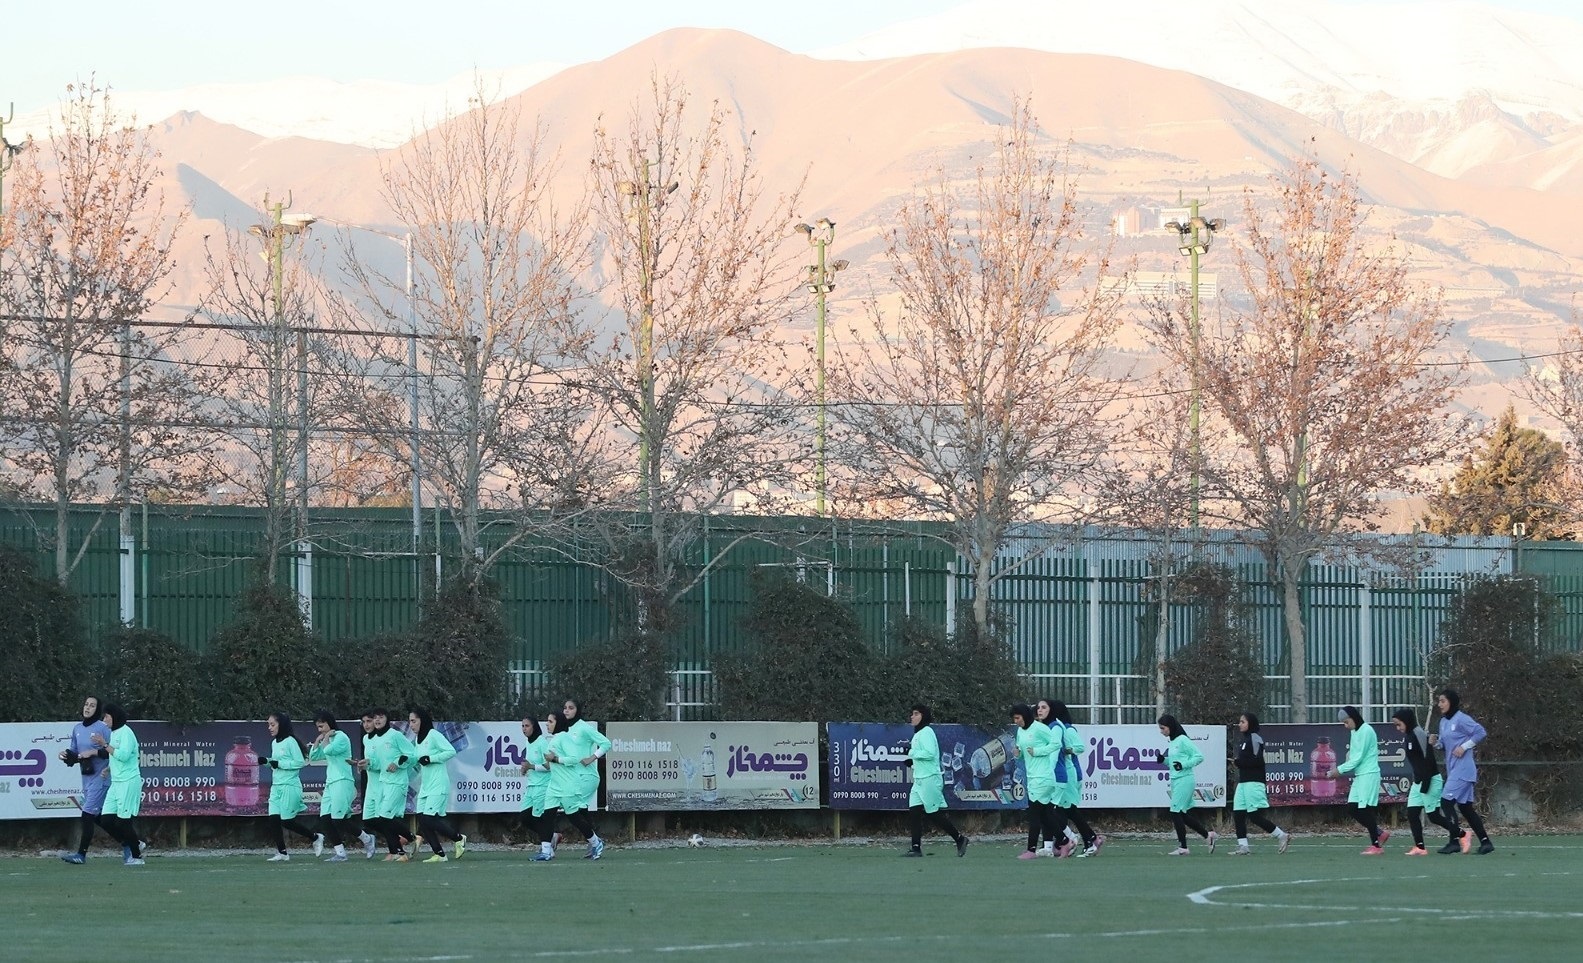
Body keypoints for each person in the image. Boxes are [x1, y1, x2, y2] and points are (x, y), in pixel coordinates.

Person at [546, 700, 612, 859]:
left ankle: (593, 842)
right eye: (565, 708)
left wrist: (592, 758)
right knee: (577, 810)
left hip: (587, 776)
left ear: (578, 710)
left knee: (573, 810)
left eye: (571, 708)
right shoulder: (565, 731)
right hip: (575, 775)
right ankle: (593, 842)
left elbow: (606, 743)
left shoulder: (583, 727)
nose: (567, 711)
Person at [1431, 688, 1494, 855]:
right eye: (1439, 701)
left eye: (1443, 701)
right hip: (1454, 771)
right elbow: (1444, 745)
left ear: (1452, 702)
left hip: (1464, 770)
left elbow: (1480, 732)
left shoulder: (1462, 719)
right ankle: (1486, 842)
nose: (1440, 704)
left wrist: (1464, 747)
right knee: (1466, 808)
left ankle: (1454, 842)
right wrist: (1435, 743)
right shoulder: (1443, 722)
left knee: (1446, 802)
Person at [901, 704, 968, 857]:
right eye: (912, 713)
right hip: (919, 780)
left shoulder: (926, 731)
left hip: (929, 779)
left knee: (933, 814)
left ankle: (960, 839)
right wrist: (913, 762)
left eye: (916, 713)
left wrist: (911, 752)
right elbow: (924, 756)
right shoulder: (918, 734)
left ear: (923, 716)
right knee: (914, 812)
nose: (912, 716)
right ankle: (916, 848)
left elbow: (930, 753)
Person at [1040, 699, 1103, 858]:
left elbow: (1080, 747)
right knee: (1065, 811)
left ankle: (1082, 841)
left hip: (1069, 774)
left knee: (1065, 811)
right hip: (1067, 773)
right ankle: (1090, 839)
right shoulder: (1055, 728)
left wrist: (1068, 750)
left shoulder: (1065, 729)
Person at [1392, 707, 1459, 856]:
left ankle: (1461, 834)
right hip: (1418, 781)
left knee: (1434, 816)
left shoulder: (1418, 734)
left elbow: (1428, 759)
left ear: (1407, 721)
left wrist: (1426, 783)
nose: (1398, 728)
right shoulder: (1409, 735)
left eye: (1399, 724)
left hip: (1429, 780)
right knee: (1412, 813)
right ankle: (1420, 847)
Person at [257, 712, 323, 861]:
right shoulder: (274, 743)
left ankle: (315, 837)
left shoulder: (290, 741)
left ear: (282, 724)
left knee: (287, 821)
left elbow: (299, 762)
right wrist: (266, 762)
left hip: (290, 785)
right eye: (268, 725)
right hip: (277, 786)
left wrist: (278, 764)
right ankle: (282, 853)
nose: (270, 727)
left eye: (272, 724)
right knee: (273, 819)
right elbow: (275, 764)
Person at [58, 695, 112, 864]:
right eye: (86, 704)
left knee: (87, 815)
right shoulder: (77, 728)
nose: (88, 708)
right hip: (86, 777)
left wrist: (105, 764)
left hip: (101, 777)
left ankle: (81, 855)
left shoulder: (102, 728)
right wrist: (65, 756)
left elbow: (113, 751)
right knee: (98, 817)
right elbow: (75, 755)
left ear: (97, 709)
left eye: (92, 705)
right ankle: (131, 842)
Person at [90, 703, 145, 866]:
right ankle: (135, 842)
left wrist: (104, 744)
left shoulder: (126, 732)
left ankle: (137, 857)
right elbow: (116, 757)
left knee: (124, 821)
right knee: (105, 820)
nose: (104, 719)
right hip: (116, 782)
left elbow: (124, 755)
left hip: (128, 781)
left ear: (115, 717)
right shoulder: (114, 733)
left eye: (107, 716)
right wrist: (109, 768)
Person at [409, 707, 465, 863]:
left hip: (438, 784)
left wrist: (431, 758)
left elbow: (450, 751)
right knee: (423, 820)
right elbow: (415, 758)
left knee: (429, 819)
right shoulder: (418, 739)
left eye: (414, 721)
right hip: (425, 786)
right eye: (410, 722)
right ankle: (440, 854)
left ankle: (459, 838)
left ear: (422, 720)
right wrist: (403, 760)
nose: (411, 725)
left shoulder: (433, 735)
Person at [358, 708, 415, 861]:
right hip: (383, 782)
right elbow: (378, 764)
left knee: (385, 817)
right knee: (378, 819)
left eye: (380, 717)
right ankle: (405, 845)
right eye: (374, 718)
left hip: (397, 782)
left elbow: (412, 754)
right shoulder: (374, 738)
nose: (376, 721)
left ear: (387, 718)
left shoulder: (395, 735)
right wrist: (366, 764)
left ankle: (401, 849)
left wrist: (397, 763)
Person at [1229, 712, 1290, 855]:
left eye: (1243, 722)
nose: (1240, 724)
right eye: (1240, 721)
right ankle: (1243, 846)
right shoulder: (1243, 740)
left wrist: (1239, 762)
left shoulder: (1255, 738)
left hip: (1254, 782)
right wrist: (1239, 762)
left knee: (1254, 816)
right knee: (1238, 814)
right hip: (1243, 783)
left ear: (1250, 723)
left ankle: (1282, 835)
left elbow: (1258, 761)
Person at [1011, 703, 1063, 859]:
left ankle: (1031, 850)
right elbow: (1022, 752)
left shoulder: (1040, 728)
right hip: (1032, 777)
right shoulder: (1020, 731)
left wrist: (1038, 751)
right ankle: (1065, 840)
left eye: (1017, 718)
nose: (1016, 721)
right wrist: (1018, 753)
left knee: (1034, 815)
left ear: (1025, 716)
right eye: (1014, 718)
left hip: (1044, 777)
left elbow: (1056, 744)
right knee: (1046, 815)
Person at [1158, 714, 1215, 855]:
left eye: (1163, 728)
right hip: (1176, 781)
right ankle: (1208, 836)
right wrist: (1164, 760)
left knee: (1175, 812)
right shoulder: (1172, 742)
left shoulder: (1183, 740)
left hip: (1185, 780)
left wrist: (1184, 764)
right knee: (1182, 815)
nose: (1161, 731)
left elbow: (1199, 756)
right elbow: (1174, 763)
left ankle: (1183, 847)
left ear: (1170, 727)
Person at [1336, 706, 1390, 855]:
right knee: (1352, 808)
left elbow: (1359, 757)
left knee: (1365, 809)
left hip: (1369, 774)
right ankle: (1379, 833)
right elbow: (1353, 756)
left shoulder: (1366, 730)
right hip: (1360, 775)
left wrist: (1339, 770)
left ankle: (1376, 846)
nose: (1345, 726)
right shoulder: (1355, 732)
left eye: (1346, 722)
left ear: (1353, 718)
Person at [306, 710, 356, 862]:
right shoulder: (326, 738)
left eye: (321, 726)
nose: (320, 730)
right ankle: (340, 853)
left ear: (329, 723)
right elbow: (314, 756)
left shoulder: (341, 737)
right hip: (331, 782)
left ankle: (366, 838)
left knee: (338, 820)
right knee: (325, 819)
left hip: (342, 780)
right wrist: (317, 740)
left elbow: (328, 750)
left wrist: (326, 738)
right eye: (318, 728)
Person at [516, 715, 558, 861]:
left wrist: (532, 766)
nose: (524, 729)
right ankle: (552, 836)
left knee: (541, 818)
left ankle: (547, 851)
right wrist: (525, 768)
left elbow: (549, 766)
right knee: (525, 817)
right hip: (532, 786)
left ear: (534, 727)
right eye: (522, 726)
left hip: (543, 785)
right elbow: (530, 762)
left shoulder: (541, 743)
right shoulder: (529, 742)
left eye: (527, 726)